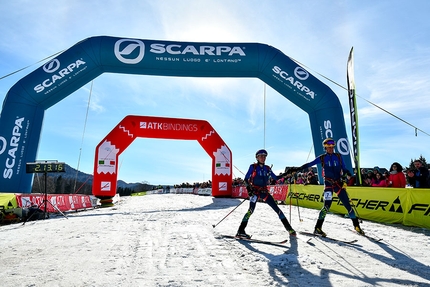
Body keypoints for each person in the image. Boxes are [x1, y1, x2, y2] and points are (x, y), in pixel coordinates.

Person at [291, 138, 364, 236]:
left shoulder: (338, 156)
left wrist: (347, 174)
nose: (331, 148)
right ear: (325, 147)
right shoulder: (322, 158)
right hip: (328, 184)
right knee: (326, 206)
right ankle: (318, 227)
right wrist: (298, 169)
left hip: (338, 183)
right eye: (329, 147)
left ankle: (356, 226)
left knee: (348, 205)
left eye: (332, 147)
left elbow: (344, 168)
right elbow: (310, 164)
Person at [236, 149, 296, 239]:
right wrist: (249, 189)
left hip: (264, 192)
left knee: (277, 209)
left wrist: (287, 174)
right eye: (261, 156)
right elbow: (246, 179)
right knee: (250, 210)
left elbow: (276, 178)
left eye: (264, 156)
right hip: (255, 192)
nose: (263, 158)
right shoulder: (253, 167)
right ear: (257, 157)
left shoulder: (267, 168)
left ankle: (289, 228)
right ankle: (240, 231)